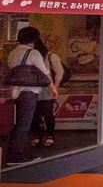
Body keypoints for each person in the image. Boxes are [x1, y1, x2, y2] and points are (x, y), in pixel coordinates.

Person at [7, 27, 58, 164]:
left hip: (15, 92)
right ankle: (18, 156)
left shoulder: (13, 53)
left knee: (19, 123)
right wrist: (53, 88)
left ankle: (17, 153)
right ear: (34, 39)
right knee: (24, 124)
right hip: (29, 92)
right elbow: (45, 73)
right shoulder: (33, 53)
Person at [31, 36, 64, 148]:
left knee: (47, 113)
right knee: (35, 114)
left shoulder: (51, 56)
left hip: (47, 90)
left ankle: (49, 135)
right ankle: (37, 135)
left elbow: (59, 73)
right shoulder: (32, 56)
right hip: (35, 90)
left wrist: (54, 87)